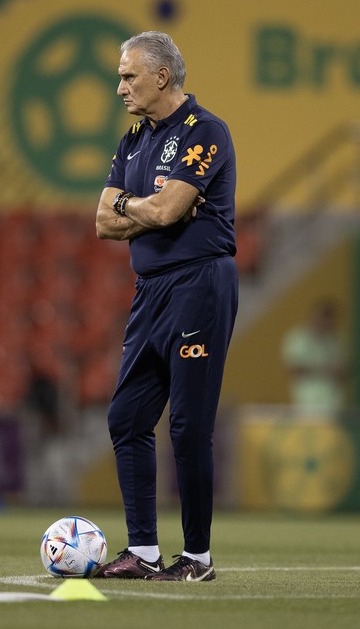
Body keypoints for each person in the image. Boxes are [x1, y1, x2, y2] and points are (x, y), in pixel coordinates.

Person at [93, 31, 238, 582]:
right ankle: (144, 552)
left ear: (161, 76)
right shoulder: (133, 140)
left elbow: (167, 211)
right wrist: (144, 206)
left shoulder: (207, 131)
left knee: (187, 425)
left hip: (199, 284)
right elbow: (104, 221)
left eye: (129, 76)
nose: (119, 87)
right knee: (126, 416)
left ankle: (197, 559)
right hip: (149, 288)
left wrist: (143, 207)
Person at [280, 299, 346, 421]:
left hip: (333, 404)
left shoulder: (335, 341)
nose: (326, 323)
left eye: (330, 320)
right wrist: (326, 369)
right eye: (324, 319)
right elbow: (294, 370)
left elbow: (344, 372)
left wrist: (313, 368)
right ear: (314, 317)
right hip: (306, 405)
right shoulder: (297, 338)